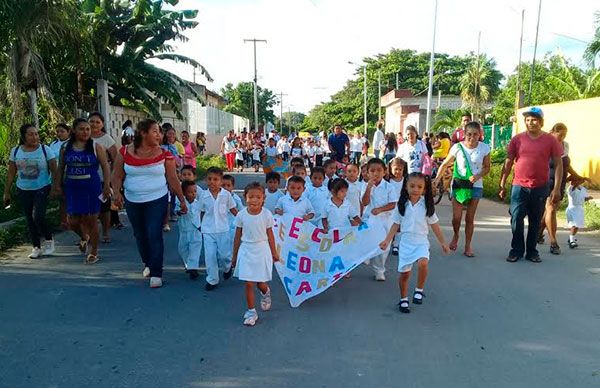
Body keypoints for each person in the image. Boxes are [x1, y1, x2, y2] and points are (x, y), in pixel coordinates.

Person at [112, 119, 186, 288]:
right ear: (143, 133)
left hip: (157, 199)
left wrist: (181, 200)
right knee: (140, 235)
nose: (159, 135)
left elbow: (173, 179)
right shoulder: (124, 152)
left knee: (154, 233)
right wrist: (116, 192)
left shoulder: (165, 154)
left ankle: (157, 272)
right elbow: (116, 176)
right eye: (155, 131)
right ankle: (148, 262)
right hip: (133, 200)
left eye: (160, 132)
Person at [379, 172, 450, 313]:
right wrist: (387, 240)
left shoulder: (426, 206)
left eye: (419, 186)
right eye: (412, 186)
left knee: (423, 262)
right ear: (406, 186)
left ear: (424, 189)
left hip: (421, 241)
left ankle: (419, 289)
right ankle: (403, 299)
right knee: (405, 274)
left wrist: (443, 242)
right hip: (405, 243)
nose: (416, 189)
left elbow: (435, 225)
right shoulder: (402, 205)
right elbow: (395, 224)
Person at [499, 107, 563, 263]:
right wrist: (502, 183)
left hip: (540, 187)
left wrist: (556, 189)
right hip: (519, 186)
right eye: (527, 120)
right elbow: (508, 161)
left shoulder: (550, 140)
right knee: (516, 218)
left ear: (540, 122)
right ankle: (516, 250)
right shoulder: (517, 139)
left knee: (535, 221)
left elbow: (559, 164)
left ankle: (532, 252)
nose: (530, 123)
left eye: (534, 120)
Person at [52, 118, 111, 264]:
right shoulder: (66, 147)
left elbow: (105, 166)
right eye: (81, 129)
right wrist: (57, 185)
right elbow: (61, 168)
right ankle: (85, 237)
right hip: (72, 187)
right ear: (74, 131)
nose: (85, 132)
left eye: (87, 129)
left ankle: (94, 252)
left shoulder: (96, 147)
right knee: (72, 222)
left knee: (91, 220)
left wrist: (106, 186)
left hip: (91, 187)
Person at [433, 122, 491, 257]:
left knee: (470, 218)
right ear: (464, 134)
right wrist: (436, 180)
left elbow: (487, 167)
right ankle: (456, 235)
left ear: (480, 135)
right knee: (457, 217)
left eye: (475, 134)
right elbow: (446, 163)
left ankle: (468, 245)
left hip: (476, 186)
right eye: (469, 134)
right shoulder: (457, 148)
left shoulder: (484, 148)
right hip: (459, 185)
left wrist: (477, 176)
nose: (472, 137)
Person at [4, 124, 58, 258]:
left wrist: (55, 188)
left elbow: (55, 170)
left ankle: (49, 239)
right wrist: (7, 191)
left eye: (36, 134)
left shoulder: (45, 150)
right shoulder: (16, 151)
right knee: (29, 219)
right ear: (23, 137)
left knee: (38, 216)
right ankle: (36, 247)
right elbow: (11, 173)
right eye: (30, 134)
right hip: (23, 189)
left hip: (42, 187)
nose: (35, 137)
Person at [232, 182, 279, 326]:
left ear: (263, 198)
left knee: (260, 283)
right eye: (251, 196)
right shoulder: (241, 215)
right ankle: (251, 311)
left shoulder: (266, 214)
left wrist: (274, 253)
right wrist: (234, 256)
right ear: (245, 197)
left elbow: (270, 235)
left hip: (262, 249)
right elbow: (237, 236)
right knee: (248, 283)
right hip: (246, 250)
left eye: (258, 197)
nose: (254, 200)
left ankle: (265, 292)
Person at [537, 123, 585, 255]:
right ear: (553, 132)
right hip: (546, 181)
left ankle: (539, 233)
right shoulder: (545, 143)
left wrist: (577, 176)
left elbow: (566, 165)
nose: (563, 137)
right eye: (560, 134)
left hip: (560, 183)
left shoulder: (565, 146)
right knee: (551, 210)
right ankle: (553, 242)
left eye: (565, 135)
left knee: (550, 211)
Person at [199, 167, 239, 291]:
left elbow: (233, 210)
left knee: (224, 255)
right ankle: (212, 279)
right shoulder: (204, 196)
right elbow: (201, 212)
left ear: (221, 181)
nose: (212, 182)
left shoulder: (226, 195)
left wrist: (242, 221)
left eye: (215, 179)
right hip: (208, 230)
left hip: (223, 230)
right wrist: (200, 225)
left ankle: (227, 267)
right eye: (209, 179)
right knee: (210, 255)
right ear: (206, 180)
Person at [361, 158, 396, 281]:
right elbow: (364, 202)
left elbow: (393, 204)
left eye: (379, 170)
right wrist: (369, 188)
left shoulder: (389, 187)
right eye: (372, 171)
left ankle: (379, 270)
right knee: (368, 239)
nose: (376, 173)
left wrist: (380, 210)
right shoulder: (365, 186)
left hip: (386, 220)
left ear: (385, 172)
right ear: (367, 173)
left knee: (384, 246)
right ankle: (367, 254)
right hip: (370, 218)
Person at [89, 112, 117, 244]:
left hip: (103, 179)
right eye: (92, 121)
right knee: (87, 207)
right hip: (85, 180)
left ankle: (105, 232)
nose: (94, 124)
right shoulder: (83, 137)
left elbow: (115, 159)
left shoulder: (107, 139)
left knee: (104, 207)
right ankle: (87, 234)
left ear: (102, 124)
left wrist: (112, 180)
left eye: (97, 122)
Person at [175, 181, 203, 280]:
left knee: (195, 249)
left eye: (195, 191)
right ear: (184, 193)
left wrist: (202, 226)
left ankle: (193, 269)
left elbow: (202, 214)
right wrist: (179, 212)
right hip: (184, 230)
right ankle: (188, 264)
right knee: (182, 249)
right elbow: (176, 211)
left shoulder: (198, 204)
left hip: (196, 230)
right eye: (190, 192)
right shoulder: (180, 202)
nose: (193, 194)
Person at [49, 123, 71, 230]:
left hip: (69, 174)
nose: (59, 133)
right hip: (57, 174)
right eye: (57, 131)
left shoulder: (71, 143)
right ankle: (63, 221)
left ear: (68, 132)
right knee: (62, 199)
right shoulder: (53, 144)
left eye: (62, 131)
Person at [387, 158, 407, 255]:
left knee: (399, 226)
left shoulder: (406, 181)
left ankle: (396, 245)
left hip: (401, 206)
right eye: (395, 169)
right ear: (390, 168)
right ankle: (388, 242)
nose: (398, 171)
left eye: (400, 169)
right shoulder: (388, 181)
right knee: (390, 226)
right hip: (390, 208)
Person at [565, 176, 592, 249]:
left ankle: (571, 238)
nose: (575, 182)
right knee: (574, 225)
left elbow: (583, 198)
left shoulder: (583, 189)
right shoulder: (570, 188)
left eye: (577, 180)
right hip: (572, 209)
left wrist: (588, 198)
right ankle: (571, 241)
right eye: (573, 181)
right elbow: (574, 189)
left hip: (579, 209)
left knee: (577, 226)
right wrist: (584, 179)